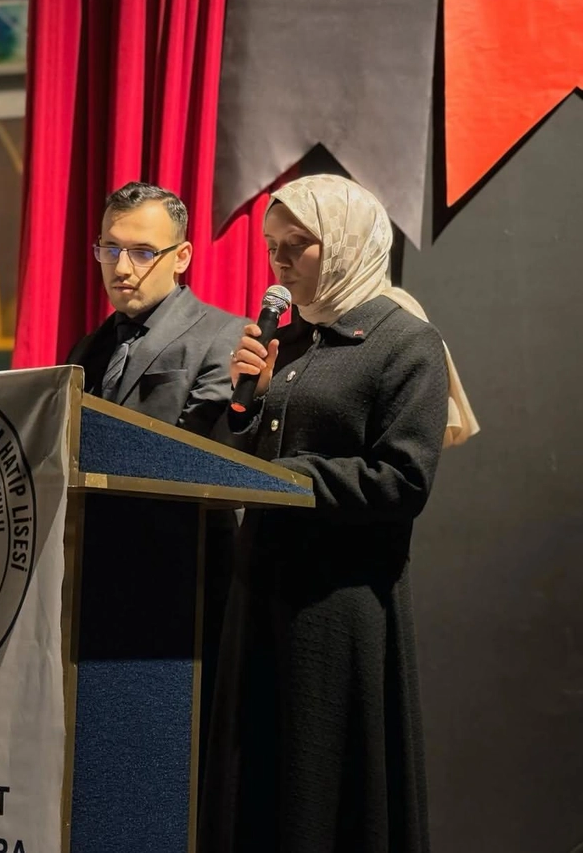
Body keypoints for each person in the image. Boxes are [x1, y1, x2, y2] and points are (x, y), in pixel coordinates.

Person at [199, 174, 479, 853]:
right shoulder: (288, 341)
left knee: (321, 791)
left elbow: (403, 480)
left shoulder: (405, 342)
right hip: (259, 591)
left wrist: (287, 476)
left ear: (349, 241)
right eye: (271, 245)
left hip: (335, 606)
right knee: (254, 785)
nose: (279, 260)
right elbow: (245, 452)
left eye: (298, 243)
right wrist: (245, 404)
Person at [67, 181, 245, 437]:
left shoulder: (222, 337)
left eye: (143, 253)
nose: (121, 269)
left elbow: (201, 449)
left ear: (181, 257)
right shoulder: (86, 348)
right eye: (111, 249)